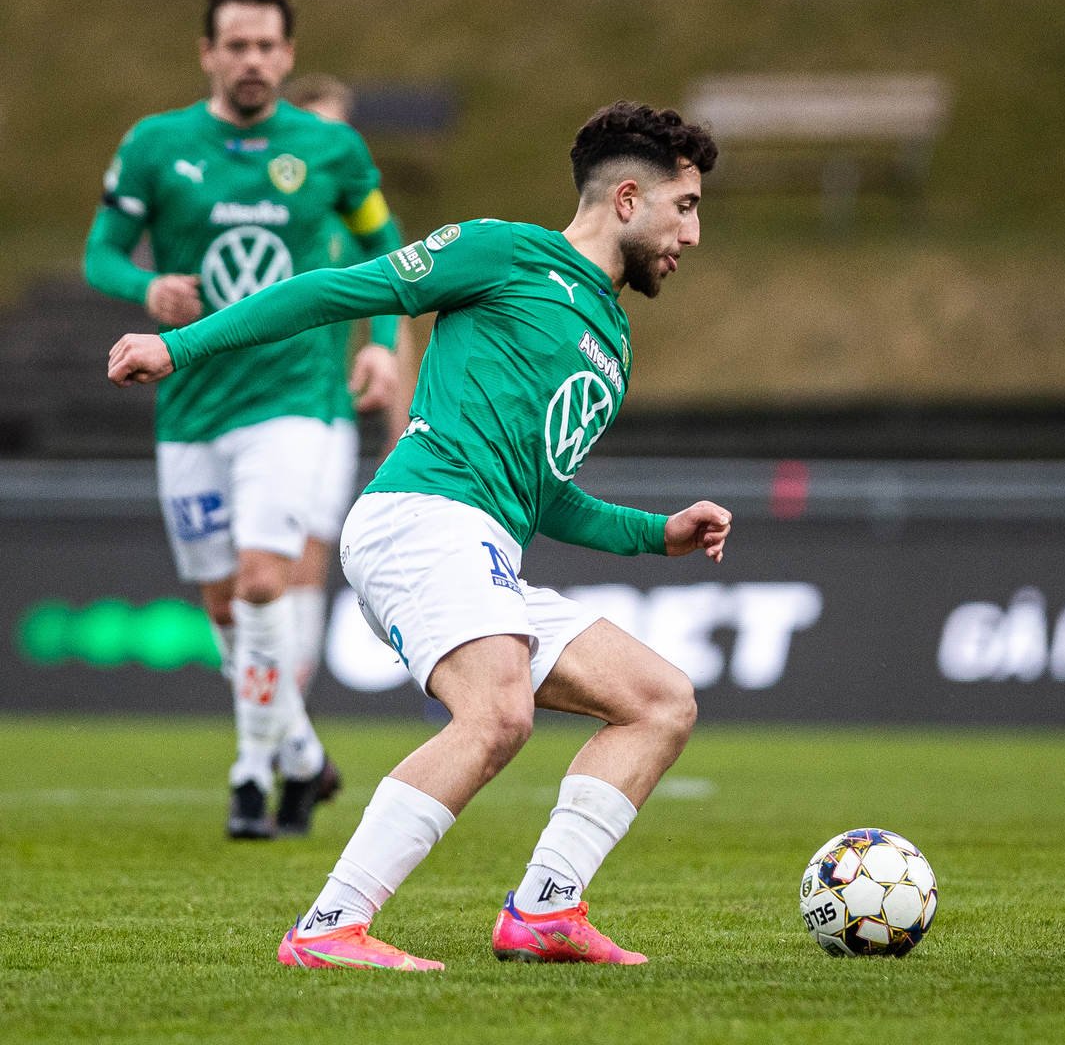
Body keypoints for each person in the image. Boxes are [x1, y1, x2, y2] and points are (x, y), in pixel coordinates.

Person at [109, 101, 733, 972]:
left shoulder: (613, 340)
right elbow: (333, 290)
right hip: (419, 519)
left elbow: (542, 492)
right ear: (628, 198)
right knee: (498, 713)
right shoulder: (503, 251)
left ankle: (546, 911)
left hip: (485, 547)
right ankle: (329, 928)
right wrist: (182, 346)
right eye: (687, 206)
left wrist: (655, 533)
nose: (693, 234)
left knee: (660, 700)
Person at [84, 0, 407, 839]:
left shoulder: (330, 151)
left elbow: (385, 247)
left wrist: (378, 337)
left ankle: (250, 770)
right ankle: (301, 759)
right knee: (226, 608)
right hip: (189, 404)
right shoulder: (157, 146)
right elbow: (101, 254)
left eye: (268, 46)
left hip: (294, 400)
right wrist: (145, 285)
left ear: (289, 55)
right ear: (208, 53)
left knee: (266, 579)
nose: (253, 60)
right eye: (237, 45)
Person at [283, 73, 415, 699]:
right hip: (229, 412)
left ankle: (287, 721)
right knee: (236, 587)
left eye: (344, 127)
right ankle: (271, 710)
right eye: (319, 127)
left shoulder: (354, 223)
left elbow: (399, 306)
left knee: (304, 557)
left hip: (318, 412)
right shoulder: (263, 210)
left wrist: (399, 431)